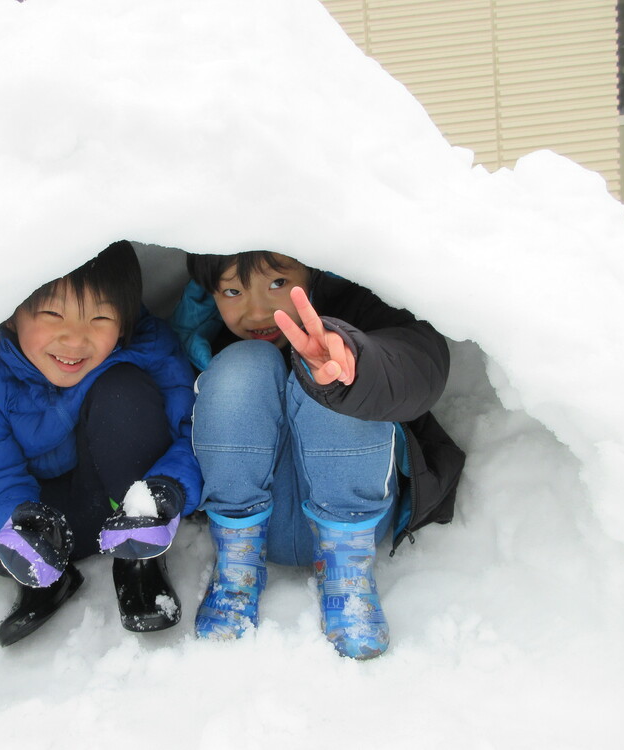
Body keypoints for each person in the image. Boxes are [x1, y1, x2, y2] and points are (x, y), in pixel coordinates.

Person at [0, 241, 202, 647]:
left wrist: (165, 492)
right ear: (12, 314)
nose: (75, 340)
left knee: (124, 390)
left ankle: (139, 558)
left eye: (100, 317)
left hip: (114, 506)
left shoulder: (145, 348)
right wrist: (17, 529)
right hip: (27, 526)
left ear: (125, 320)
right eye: (52, 313)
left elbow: (191, 431)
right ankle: (36, 572)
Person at [170, 251, 464, 659]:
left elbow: (421, 359)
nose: (258, 311)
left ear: (312, 270)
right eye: (233, 291)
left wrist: (356, 362)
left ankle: (348, 579)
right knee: (242, 364)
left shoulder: (357, 301)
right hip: (250, 526)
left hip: (356, 521)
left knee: (328, 373)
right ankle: (237, 571)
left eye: (276, 284)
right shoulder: (201, 337)